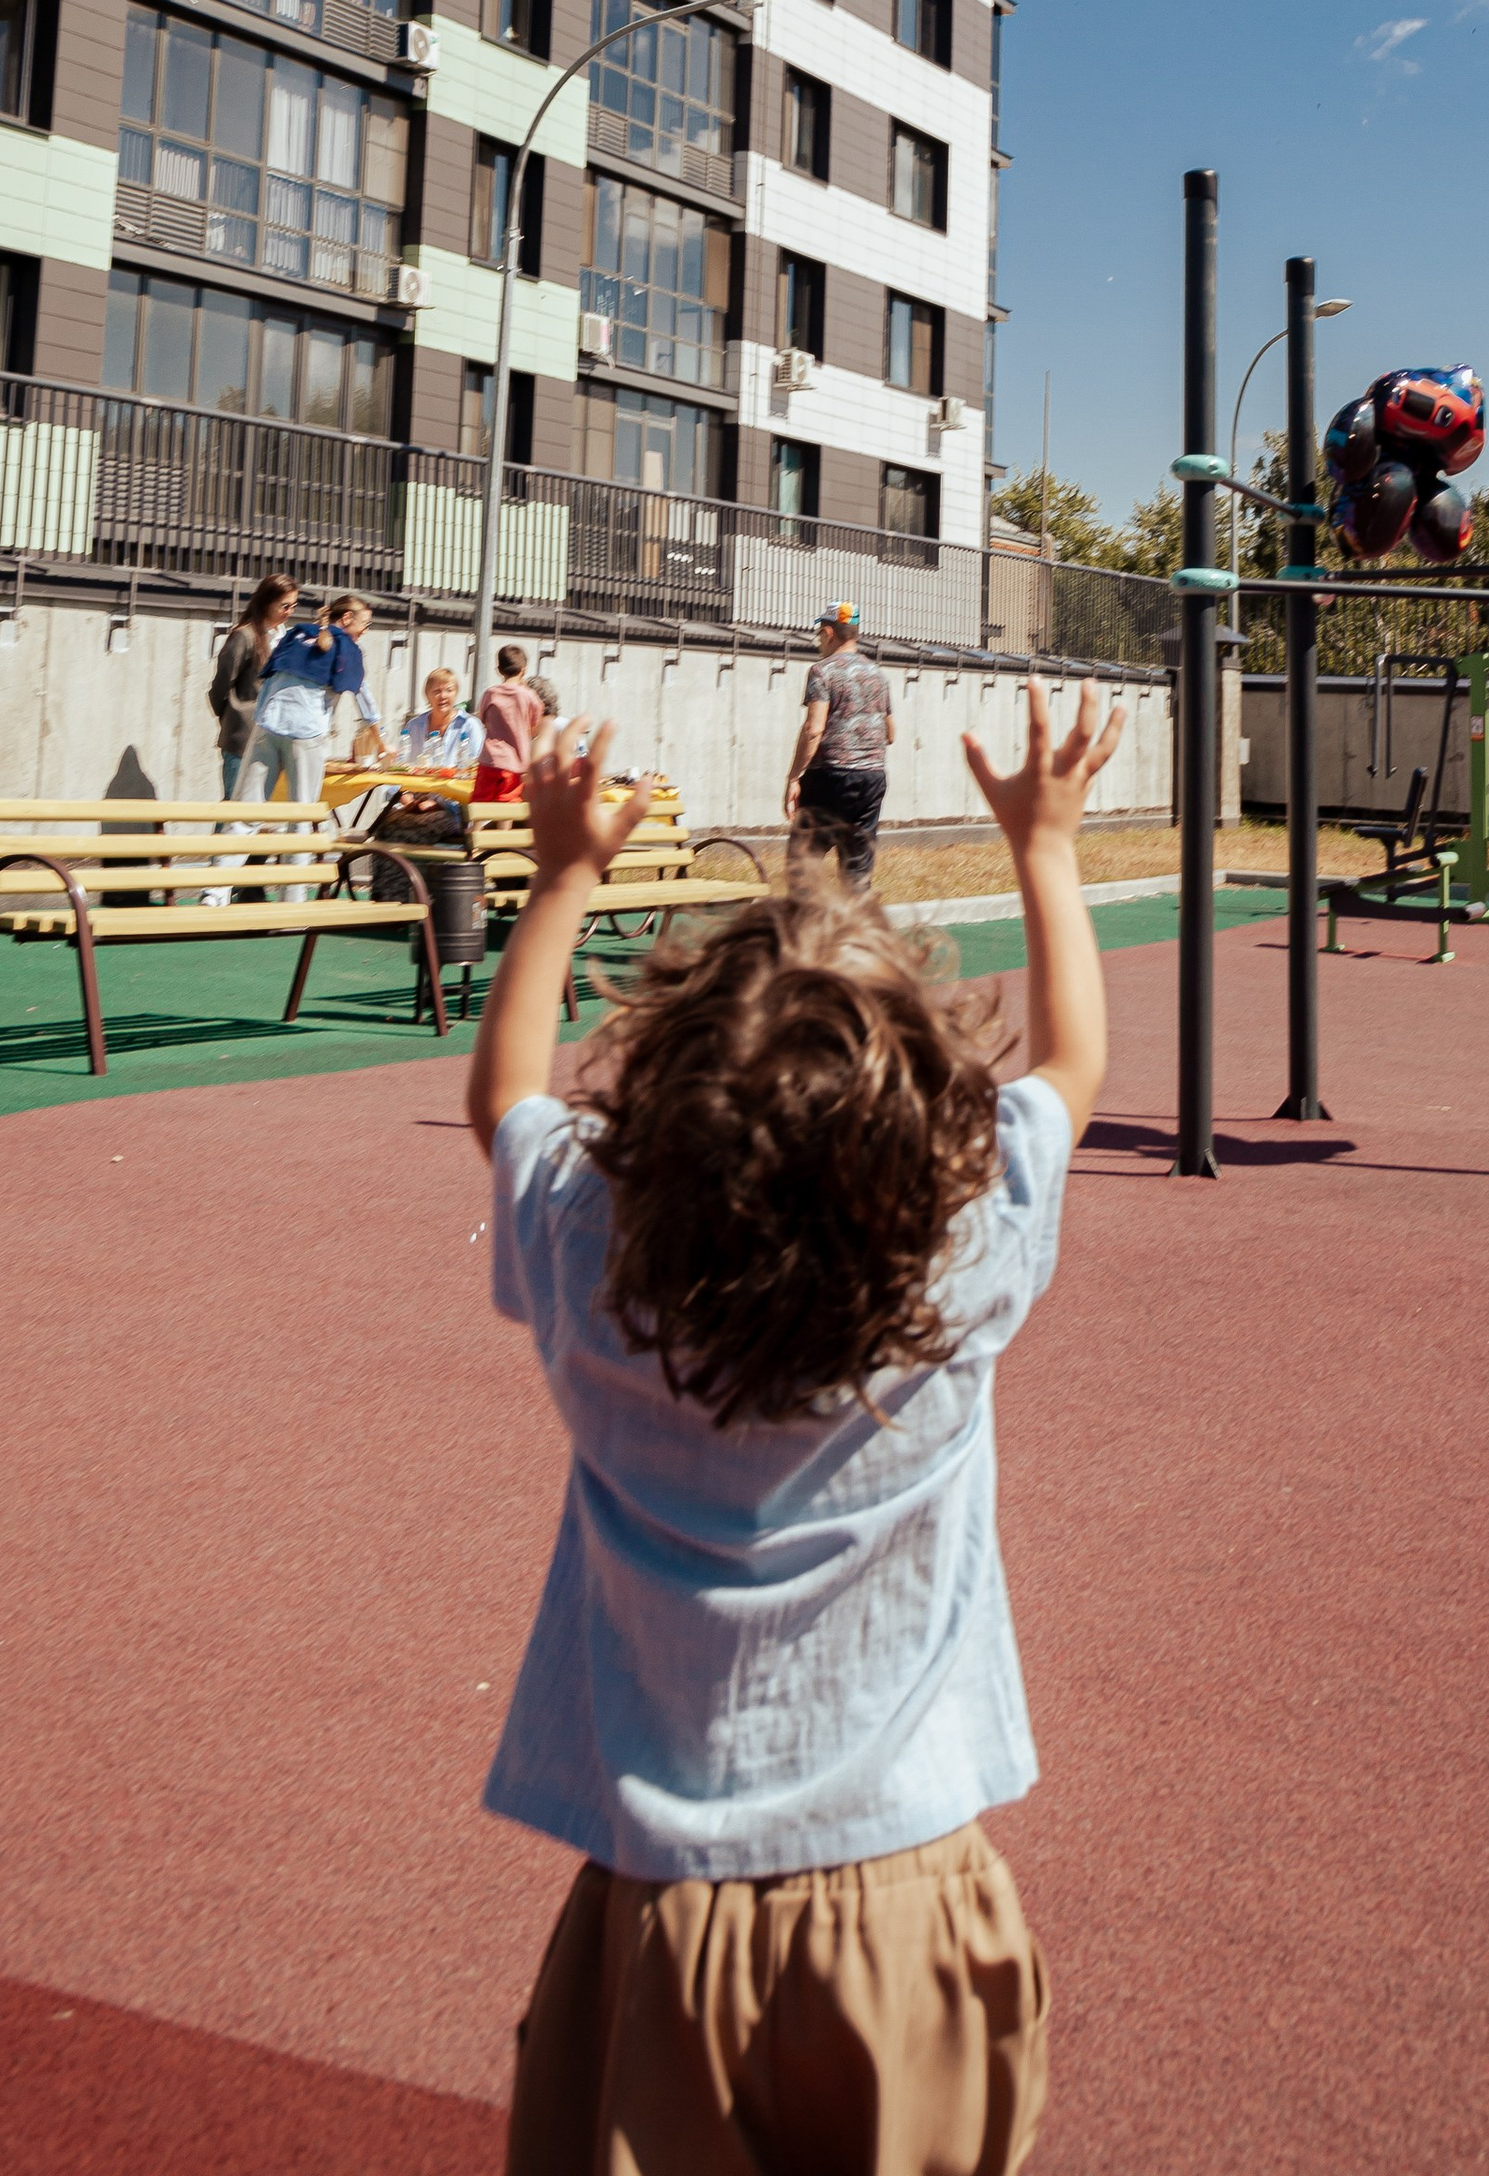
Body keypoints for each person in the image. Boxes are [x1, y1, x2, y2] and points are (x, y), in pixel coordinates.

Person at [470, 679, 1122, 2176]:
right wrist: (1048, 847)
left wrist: (561, 874)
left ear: (656, 1111)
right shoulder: (960, 1254)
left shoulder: (591, 1255)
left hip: (658, 1905)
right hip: (910, 1897)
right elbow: (1070, 1069)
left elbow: (506, 1091)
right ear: (929, 1125)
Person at [783, 602, 895, 893]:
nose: (820, 641)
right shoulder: (878, 675)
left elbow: (814, 729)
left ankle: (803, 933)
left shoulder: (822, 671)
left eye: (820, 634)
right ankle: (854, 934)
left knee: (803, 864)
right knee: (856, 872)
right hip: (871, 778)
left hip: (830, 777)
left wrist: (794, 777)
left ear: (829, 632)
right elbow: (890, 733)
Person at [242, 593, 380, 809]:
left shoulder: (296, 634)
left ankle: (237, 840)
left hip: (268, 725)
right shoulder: (348, 649)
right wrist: (381, 743)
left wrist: (261, 718)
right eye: (365, 623)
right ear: (346, 618)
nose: (366, 630)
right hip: (306, 733)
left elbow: (269, 681)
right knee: (302, 811)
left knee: (247, 808)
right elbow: (365, 702)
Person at [381, 662, 489, 844]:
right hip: (416, 803)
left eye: (449, 690)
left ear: (456, 693)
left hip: (453, 808)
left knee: (407, 833)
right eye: (436, 691)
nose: (443, 696)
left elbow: (476, 776)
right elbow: (399, 770)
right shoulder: (414, 726)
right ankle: (398, 872)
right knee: (382, 829)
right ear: (427, 695)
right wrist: (407, 799)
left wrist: (439, 803)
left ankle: (415, 872)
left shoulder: (469, 726)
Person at [209, 574, 297, 795]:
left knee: (254, 809)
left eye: (293, 606)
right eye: (284, 606)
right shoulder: (244, 636)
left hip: (274, 736)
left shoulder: (285, 637)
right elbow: (221, 685)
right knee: (234, 804)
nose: (289, 612)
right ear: (267, 602)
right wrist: (234, 716)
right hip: (244, 736)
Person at [475, 644, 550, 802]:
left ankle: (476, 827)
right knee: (508, 802)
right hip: (515, 760)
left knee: (481, 801)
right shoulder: (529, 695)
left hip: (489, 758)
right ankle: (505, 828)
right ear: (524, 669)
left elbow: (482, 718)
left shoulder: (490, 693)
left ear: (499, 670)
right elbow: (536, 723)